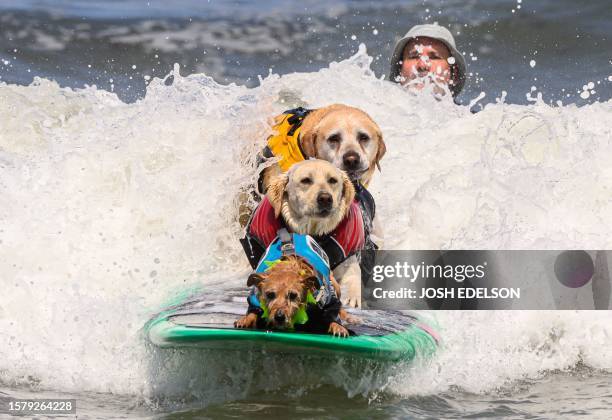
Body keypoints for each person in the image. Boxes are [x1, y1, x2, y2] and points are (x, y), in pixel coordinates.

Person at [389, 24, 467, 98]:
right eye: (413, 57)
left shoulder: (468, 112)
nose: (422, 65)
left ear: (454, 75)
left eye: (434, 57)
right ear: (400, 70)